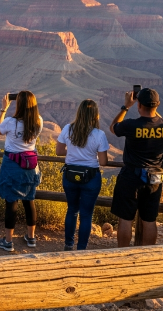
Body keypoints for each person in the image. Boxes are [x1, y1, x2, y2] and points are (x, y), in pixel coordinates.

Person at [109, 88, 163, 247]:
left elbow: (113, 127)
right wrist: (152, 106)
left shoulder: (131, 125)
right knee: (149, 219)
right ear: (157, 105)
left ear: (139, 105)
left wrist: (126, 106)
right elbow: (158, 117)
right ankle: (147, 254)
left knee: (125, 218)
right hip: (154, 179)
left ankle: (122, 254)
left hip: (131, 177)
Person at [56, 99, 109, 250]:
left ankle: (68, 245)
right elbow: (103, 161)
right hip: (90, 178)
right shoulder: (99, 134)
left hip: (70, 175)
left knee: (72, 210)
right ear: (95, 115)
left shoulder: (68, 128)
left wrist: (73, 153)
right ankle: (81, 249)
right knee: (86, 214)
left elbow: (59, 151)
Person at [0, 90, 43, 251]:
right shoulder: (38, 121)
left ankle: (8, 241)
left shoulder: (11, 122)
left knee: (11, 201)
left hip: (12, 164)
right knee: (29, 200)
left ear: (19, 104)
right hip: (30, 165)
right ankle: (31, 238)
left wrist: (3, 109)